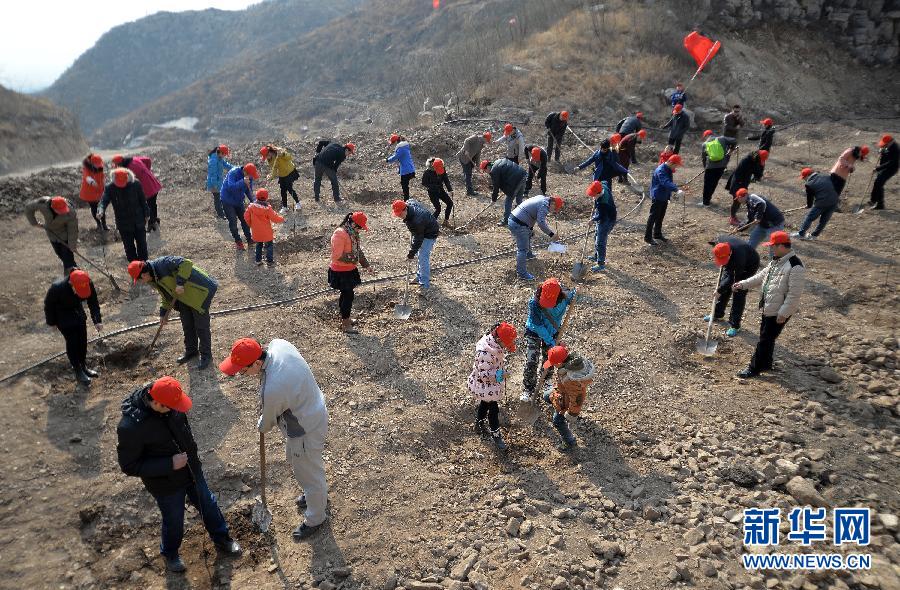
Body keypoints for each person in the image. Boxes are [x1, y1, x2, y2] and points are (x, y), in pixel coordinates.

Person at [116, 376, 241, 573]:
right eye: (172, 408)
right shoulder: (131, 427)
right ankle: (170, 554)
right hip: (165, 483)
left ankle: (222, 538)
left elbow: (185, 432)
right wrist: (169, 464)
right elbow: (129, 465)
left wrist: (192, 458)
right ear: (157, 403)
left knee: (208, 504)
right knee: (174, 520)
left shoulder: (172, 406)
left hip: (191, 470)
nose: (177, 409)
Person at [219, 337, 330, 540]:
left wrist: (261, 424)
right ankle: (315, 496)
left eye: (243, 371)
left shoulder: (274, 388)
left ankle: (316, 517)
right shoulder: (278, 344)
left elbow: (267, 422)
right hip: (312, 409)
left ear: (257, 363)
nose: (243, 375)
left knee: (309, 474)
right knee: (304, 464)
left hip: (305, 429)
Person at [733, 231, 806, 379]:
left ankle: (754, 368)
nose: (771, 249)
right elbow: (760, 277)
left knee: (765, 340)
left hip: (779, 310)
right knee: (767, 337)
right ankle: (766, 363)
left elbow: (794, 294)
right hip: (770, 306)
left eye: (773, 246)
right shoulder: (776, 261)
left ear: (781, 246)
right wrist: (742, 284)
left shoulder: (795, 266)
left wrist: (784, 313)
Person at [129, 257, 218, 369]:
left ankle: (206, 356)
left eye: (139, 280)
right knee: (187, 324)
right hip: (184, 296)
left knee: (201, 326)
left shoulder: (163, 264)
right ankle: (191, 351)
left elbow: (186, 263)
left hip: (200, 291)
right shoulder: (153, 279)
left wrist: (180, 283)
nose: (141, 283)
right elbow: (165, 295)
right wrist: (163, 313)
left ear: (143, 275)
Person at [44, 268, 102, 384]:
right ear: (71, 283)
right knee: (73, 342)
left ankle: (83, 366)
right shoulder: (57, 288)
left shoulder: (86, 282)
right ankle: (77, 370)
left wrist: (97, 320)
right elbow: (48, 306)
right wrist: (52, 322)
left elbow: (93, 301)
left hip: (78, 312)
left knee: (82, 340)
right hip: (63, 316)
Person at [519, 278, 573, 402]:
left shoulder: (565, 297)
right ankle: (528, 388)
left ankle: (546, 380)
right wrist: (552, 343)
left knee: (549, 358)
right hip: (534, 331)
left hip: (553, 331)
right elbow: (537, 326)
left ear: (558, 296)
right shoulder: (534, 303)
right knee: (531, 360)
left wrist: (578, 294)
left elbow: (577, 298)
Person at [467, 322, 517, 451]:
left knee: (484, 403)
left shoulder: (494, 345)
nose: (506, 348)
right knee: (493, 410)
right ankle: (496, 435)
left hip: (490, 386)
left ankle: (479, 423)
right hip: (485, 385)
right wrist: (500, 374)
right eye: (506, 344)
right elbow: (484, 374)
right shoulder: (485, 353)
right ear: (499, 340)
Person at [704, 238, 760, 337]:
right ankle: (717, 313)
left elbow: (731, 279)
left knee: (738, 292)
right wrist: (721, 289)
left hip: (748, 267)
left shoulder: (738, 259)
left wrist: (719, 290)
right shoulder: (721, 244)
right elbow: (728, 276)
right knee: (724, 288)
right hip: (733, 262)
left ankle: (735, 325)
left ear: (729, 254)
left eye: (724, 260)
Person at [542, 345, 594, 449]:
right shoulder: (569, 362)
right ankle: (553, 402)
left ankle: (569, 442)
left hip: (567, 401)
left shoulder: (571, 380)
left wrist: (571, 414)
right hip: (563, 391)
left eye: (553, 364)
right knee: (546, 395)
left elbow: (577, 399)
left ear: (559, 363)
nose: (553, 366)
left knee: (557, 421)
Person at [328, 211, 370, 333]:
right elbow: (336, 256)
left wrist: (366, 265)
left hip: (349, 270)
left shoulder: (353, 233)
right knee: (347, 296)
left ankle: (345, 318)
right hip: (341, 272)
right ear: (353, 224)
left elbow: (358, 250)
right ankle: (346, 324)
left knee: (347, 295)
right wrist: (354, 259)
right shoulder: (340, 234)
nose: (360, 230)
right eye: (359, 228)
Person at [507, 195, 563, 281]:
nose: (553, 211)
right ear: (553, 203)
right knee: (522, 249)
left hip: (516, 219)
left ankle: (529, 255)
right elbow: (541, 223)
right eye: (554, 209)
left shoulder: (543, 198)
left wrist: (530, 229)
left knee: (529, 235)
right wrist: (552, 234)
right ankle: (521, 273)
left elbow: (532, 214)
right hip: (518, 223)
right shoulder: (544, 206)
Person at [99, 168, 150, 262]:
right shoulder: (110, 188)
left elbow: (143, 200)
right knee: (129, 248)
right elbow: (103, 201)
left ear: (128, 178)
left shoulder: (136, 184)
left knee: (142, 246)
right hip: (123, 224)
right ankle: (134, 267)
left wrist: (147, 214)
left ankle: (145, 266)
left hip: (138, 221)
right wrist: (101, 210)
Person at [392, 199, 439, 291]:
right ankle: (419, 276)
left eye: (400, 214)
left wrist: (411, 254)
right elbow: (412, 200)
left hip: (430, 233)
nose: (399, 217)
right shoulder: (409, 205)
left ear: (405, 209)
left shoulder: (416, 221)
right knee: (419, 255)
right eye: (397, 215)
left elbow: (418, 240)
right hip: (422, 229)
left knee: (423, 257)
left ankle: (424, 284)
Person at [25, 195, 79, 271]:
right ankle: (71, 270)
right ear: (53, 207)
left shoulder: (70, 212)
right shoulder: (43, 204)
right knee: (60, 254)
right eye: (60, 210)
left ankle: (73, 274)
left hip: (64, 235)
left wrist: (72, 245)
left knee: (68, 258)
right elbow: (28, 208)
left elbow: (73, 230)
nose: (63, 212)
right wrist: (34, 223)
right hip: (51, 234)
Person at [112, 155, 163, 232]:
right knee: (153, 203)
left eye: (116, 165)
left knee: (148, 206)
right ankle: (155, 219)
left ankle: (152, 223)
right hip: (152, 181)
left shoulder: (127, 170)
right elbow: (148, 160)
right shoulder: (135, 159)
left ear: (120, 164)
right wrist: (147, 170)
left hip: (147, 187)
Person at [645, 154, 684, 245]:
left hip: (664, 196)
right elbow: (665, 182)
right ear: (671, 162)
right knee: (653, 217)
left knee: (660, 216)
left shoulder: (668, 169)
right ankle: (648, 237)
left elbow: (668, 182)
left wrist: (669, 194)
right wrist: (676, 189)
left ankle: (657, 234)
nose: (676, 167)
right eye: (676, 165)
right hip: (658, 196)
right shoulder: (661, 170)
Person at [792, 168, 839, 240]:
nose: (804, 179)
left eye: (804, 178)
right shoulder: (826, 176)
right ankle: (814, 236)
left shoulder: (809, 184)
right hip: (834, 201)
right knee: (824, 221)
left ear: (808, 175)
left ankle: (801, 234)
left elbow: (810, 198)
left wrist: (809, 205)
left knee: (809, 218)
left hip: (822, 203)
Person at [219, 163, 258, 250]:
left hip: (239, 200)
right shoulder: (233, 172)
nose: (251, 177)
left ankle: (249, 239)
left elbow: (249, 191)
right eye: (251, 175)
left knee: (245, 220)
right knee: (233, 221)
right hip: (227, 201)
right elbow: (231, 187)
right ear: (245, 172)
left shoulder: (249, 177)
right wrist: (242, 182)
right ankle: (238, 242)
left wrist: (255, 202)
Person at [244, 189, 285, 266]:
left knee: (259, 245)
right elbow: (274, 218)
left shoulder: (251, 207)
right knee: (269, 245)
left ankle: (258, 260)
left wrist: (251, 224)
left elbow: (246, 217)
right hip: (266, 232)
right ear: (266, 197)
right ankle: (269, 261)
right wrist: (282, 219)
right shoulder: (268, 209)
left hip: (256, 231)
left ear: (257, 196)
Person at [726, 150, 767, 226]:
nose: (761, 162)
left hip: (744, 183)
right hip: (738, 182)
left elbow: (758, 173)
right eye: (760, 160)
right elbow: (753, 171)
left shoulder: (755, 161)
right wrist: (757, 172)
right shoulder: (746, 161)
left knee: (739, 201)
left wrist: (760, 168)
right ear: (757, 157)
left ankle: (734, 216)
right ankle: (732, 218)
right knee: (737, 200)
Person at [482, 158, 527, 227]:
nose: (486, 172)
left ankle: (506, 220)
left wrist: (493, 199)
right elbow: (505, 176)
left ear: (487, 167)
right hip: (523, 174)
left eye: (484, 170)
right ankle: (524, 216)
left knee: (508, 201)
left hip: (516, 180)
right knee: (519, 199)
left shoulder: (494, 171)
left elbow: (496, 187)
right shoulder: (498, 161)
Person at [699, 130, 737, 206]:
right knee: (714, 183)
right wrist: (730, 151)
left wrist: (705, 167)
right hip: (722, 166)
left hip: (710, 167)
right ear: (712, 134)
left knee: (707, 185)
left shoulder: (705, 144)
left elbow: (703, 158)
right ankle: (708, 200)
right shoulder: (722, 139)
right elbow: (734, 141)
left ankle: (705, 202)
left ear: (706, 136)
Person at [260, 145, 300, 214]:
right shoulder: (270, 160)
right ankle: (285, 207)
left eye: (266, 156)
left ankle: (298, 203)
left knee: (289, 188)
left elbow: (289, 157)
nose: (266, 158)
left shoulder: (280, 152)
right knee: (282, 190)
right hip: (282, 174)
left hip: (289, 172)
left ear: (269, 152)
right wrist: (271, 176)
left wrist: (283, 154)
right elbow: (274, 169)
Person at [586, 180, 616, 272]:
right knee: (596, 236)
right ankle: (596, 256)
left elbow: (601, 216)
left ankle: (601, 263)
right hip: (602, 214)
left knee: (600, 241)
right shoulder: (603, 186)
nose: (592, 197)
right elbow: (605, 182)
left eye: (594, 195)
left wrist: (592, 220)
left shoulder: (603, 203)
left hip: (607, 219)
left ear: (599, 193)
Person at [421, 157, 454, 228]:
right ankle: (430, 224)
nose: (439, 172)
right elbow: (424, 183)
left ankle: (446, 221)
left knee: (450, 203)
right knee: (438, 209)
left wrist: (450, 189)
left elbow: (446, 179)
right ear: (433, 167)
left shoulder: (442, 167)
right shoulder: (427, 172)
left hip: (440, 190)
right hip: (432, 192)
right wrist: (433, 186)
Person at [458, 131, 491, 196]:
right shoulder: (475, 137)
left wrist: (478, 166)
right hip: (464, 157)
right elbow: (466, 140)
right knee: (468, 173)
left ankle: (468, 185)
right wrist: (466, 150)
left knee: (468, 173)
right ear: (485, 138)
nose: (487, 142)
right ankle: (469, 191)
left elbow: (478, 155)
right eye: (487, 140)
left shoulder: (481, 144)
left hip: (471, 158)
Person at [871, 134, 898, 210]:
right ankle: (873, 200)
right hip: (884, 167)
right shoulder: (888, 146)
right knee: (877, 182)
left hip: (891, 169)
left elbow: (891, 162)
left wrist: (878, 168)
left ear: (890, 142)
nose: (884, 145)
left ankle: (880, 204)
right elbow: (885, 151)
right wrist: (882, 152)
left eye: (885, 144)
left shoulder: (896, 149)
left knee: (879, 183)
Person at [80, 153, 106, 230]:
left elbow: (102, 177)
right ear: (91, 164)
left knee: (101, 207)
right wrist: (92, 182)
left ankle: (104, 224)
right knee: (94, 208)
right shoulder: (86, 168)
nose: (98, 166)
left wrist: (104, 185)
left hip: (99, 191)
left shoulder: (100, 168)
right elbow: (86, 177)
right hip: (89, 192)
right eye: (96, 165)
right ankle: (99, 224)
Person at [387, 134, 416, 201]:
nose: (393, 145)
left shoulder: (401, 148)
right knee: (404, 185)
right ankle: (407, 199)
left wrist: (387, 160)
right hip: (409, 168)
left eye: (393, 143)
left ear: (396, 142)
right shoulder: (404, 146)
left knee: (404, 186)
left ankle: (406, 201)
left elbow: (395, 157)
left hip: (406, 170)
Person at [205, 145, 232, 220]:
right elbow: (213, 174)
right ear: (220, 153)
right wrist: (214, 185)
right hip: (214, 183)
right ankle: (221, 215)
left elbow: (226, 165)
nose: (224, 156)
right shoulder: (213, 160)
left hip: (219, 182)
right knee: (217, 199)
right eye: (224, 155)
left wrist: (235, 168)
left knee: (220, 198)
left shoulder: (219, 158)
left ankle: (222, 213)